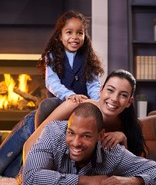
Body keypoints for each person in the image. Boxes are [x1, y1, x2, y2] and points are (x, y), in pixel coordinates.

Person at [0, 69, 145, 177]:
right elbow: (30, 144)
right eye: (110, 90)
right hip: (32, 128)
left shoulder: (128, 125)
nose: (114, 99)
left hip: (53, 151)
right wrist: (35, 174)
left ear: (129, 102)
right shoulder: (77, 105)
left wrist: (123, 138)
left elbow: (132, 167)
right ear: (100, 91)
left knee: (8, 174)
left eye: (123, 95)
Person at [22, 102, 156, 185]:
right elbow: (29, 177)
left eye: (86, 136)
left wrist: (134, 181)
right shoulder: (52, 133)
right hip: (25, 159)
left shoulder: (113, 153)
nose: (76, 142)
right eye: (71, 133)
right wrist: (86, 180)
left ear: (100, 136)